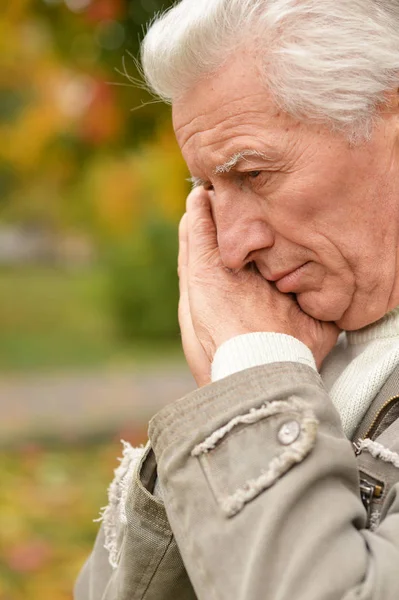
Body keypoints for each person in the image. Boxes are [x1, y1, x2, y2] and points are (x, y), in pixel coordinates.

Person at [75, 1, 399, 598]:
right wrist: (247, 380)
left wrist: (256, 375)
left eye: (252, 174)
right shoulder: (300, 334)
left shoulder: (274, 353)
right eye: (206, 188)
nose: (230, 248)